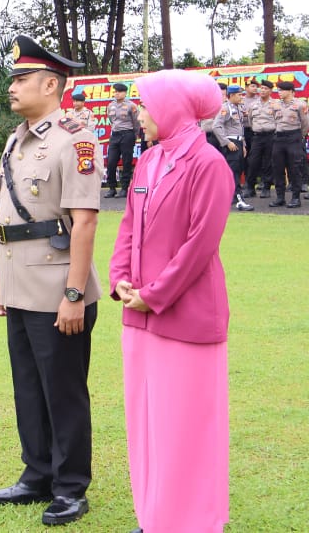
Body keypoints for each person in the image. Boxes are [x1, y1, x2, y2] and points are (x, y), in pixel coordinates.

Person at [0, 35, 102, 527]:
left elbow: (85, 221)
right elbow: (8, 214)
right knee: (28, 386)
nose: (12, 86)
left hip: (57, 289)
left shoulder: (75, 138)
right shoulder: (17, 137)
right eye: (13, 78)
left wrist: (74, 294)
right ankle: (37, 474)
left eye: (21, 78)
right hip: (19, 282)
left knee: (63, 389)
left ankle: (71, 486)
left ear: (50, 84)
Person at [109, 68, 233, 533]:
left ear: (172, 108)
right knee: (148, 424)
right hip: (140, 317)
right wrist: (122, 279)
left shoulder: (209, 165)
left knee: (186, 426)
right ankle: (156, 516)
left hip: (185, 314)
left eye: (145, 104)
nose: (139, 114)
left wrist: (153, 295)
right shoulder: (148, 161)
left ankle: (192, 522)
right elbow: (128, 228)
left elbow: (200, 244)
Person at [212, 85, 254, 211]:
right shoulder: (226, 108)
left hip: (239, 142)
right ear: (231, 95)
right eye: (239, 94)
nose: (241, 97)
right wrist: (226, 142)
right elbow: (216, 126)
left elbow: (239, 128)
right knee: (234, 172)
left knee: (237, 170)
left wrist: (244, 145)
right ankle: (239, 200)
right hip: (231, 143)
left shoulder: (238, 108)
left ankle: (232, 198)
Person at [269, 80, 309, 208]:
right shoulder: (275, 104)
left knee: (294, 168)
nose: (279, 92)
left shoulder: (300, 104)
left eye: (282, 90)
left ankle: (295, 198)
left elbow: (305, 123)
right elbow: (274, 121)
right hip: (279, 138)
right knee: (277, 168)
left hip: (294, 137)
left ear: (291, 91)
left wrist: (299, 136)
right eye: (279, 90)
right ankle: (280, 197)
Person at [104, 82, 139, 198]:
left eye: (119, 92)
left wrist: (134, 135)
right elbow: (111, 120)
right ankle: (112, 188)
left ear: (125, 93)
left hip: (127, 134)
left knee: (126, 162)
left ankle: (124, 188)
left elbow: (136, 122)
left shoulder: (131, 105)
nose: (116, 94)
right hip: (115, 135)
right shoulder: (110, 106)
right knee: (111, 162)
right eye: (115, 92)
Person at [246, 79, 276, 199]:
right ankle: (250, 188)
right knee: (253, 161)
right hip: (257, 137)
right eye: (261, 88)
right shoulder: (253, 105)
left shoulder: (275, 104)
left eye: (266, 89)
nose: (262, 91)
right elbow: (250, 121)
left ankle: (266, 188)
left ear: (270, 91)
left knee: (268, 163)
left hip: (270, 136)